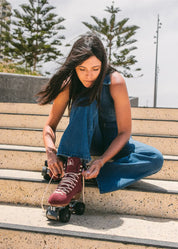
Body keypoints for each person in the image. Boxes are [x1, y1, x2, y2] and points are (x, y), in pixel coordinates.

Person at [37, 33, 163, 209]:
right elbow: (49, 126)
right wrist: (51, 154)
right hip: (86, 140)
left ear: (103, 64)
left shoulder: (115, 81)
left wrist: (101, 161)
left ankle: (87, 174)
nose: (89, 76)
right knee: (85, 100)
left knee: (154, 158)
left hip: (114, 142)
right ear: (74, 66)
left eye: (95, 69)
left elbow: (125, 132)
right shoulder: (69, 84)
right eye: (82, 69)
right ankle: (73, 172)